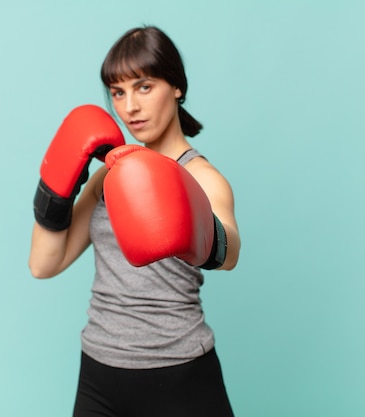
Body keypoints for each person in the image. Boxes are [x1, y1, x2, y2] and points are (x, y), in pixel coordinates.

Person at [28, 25, 241, 417]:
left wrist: (184, 217)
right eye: (118, 92)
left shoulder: (203, 177)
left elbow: (230, 253)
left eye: (144, 86)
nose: (129, 108)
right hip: (98, 372)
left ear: (176, 87)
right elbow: (44, 264)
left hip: (180, 375)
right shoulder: (108, 177)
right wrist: (55, 192)